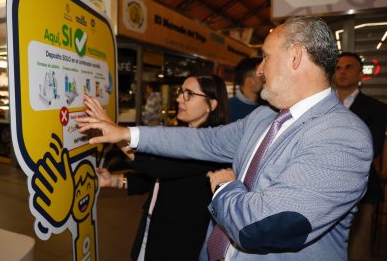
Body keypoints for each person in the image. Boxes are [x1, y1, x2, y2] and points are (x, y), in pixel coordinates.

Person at [77, 16, 373, 260]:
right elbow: (202, 142)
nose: (259, 69)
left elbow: (262, 226)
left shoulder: (342, 136)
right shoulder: (263, 117)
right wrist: (125, 133)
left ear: (295, 57)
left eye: (265, 57)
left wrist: (225, 187)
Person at [86, 75, 230, 260]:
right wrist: (115, 180)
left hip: (179, 237)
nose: (179, 99)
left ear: (212, 104)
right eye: (180, 92)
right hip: (153, 223)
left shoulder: (212, 145)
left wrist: (116, 132)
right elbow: (158, 180)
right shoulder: (183, 133)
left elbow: (158, 167)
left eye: (189, 94)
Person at [333, 51, 386, 261]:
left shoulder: (376, 108)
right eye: (337, 68)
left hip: (361, 187)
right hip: (322, 186)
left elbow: (373, 148)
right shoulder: (322, 105)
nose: (342, 72)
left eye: (349, 67)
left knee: (358, 247)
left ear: (360, 74)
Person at [229, 57, 265, 122]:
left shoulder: (267, 108)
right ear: (250, 82)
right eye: (261, 76)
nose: (265, 79)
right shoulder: (228, 108)